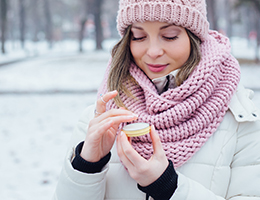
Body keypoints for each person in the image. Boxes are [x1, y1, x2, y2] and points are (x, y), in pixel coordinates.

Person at [53, 0, 260, 199]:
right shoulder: (101, 117)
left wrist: (168, 187)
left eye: (169, 36)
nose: (152, 52)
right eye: (138, 36)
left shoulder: (240, 120)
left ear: (194, 37)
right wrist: (87, 165)